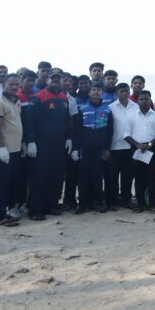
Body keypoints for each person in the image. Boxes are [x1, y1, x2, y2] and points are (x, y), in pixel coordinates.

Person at [23, 72, 72, 221]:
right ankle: (36, 209)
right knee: (39, 177)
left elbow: (67, 119)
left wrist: (69, 137)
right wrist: (31, 141)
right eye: (53, 79)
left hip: (58, 144)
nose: (56, 81)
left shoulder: (64, 98)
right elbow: (29, 120)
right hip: (41, 144)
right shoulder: (38, 97)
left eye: (59, 79)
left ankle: (52, 205)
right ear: (47, 80)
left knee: (56, 176)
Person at [73, 84, 115, 214]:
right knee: (83, 176)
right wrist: (76, 148)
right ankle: (82, 204)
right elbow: (77, 131)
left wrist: (107, 148)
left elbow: (109, 131)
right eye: (94, 90)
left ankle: (98, 202)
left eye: (99, 90)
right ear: (90, 92)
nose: (96, 92)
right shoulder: (82, 109)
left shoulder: (107, 110)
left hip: (99, 148)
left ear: (102, 93)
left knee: (97, 176)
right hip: (84, 148)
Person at [0, 74, 23, 227]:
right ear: (3, 85)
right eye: (11, 84)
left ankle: (7, 213)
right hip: (3, 151)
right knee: (1, 184)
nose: (14, 87)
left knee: (11, 183)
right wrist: (2, 148)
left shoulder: (16, 102)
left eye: (17, 84)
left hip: (15, 149)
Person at [126, 90, 155, 212]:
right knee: (138, 178)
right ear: (137, 101)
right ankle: (140, 204)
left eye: (146, 99)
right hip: (137, 149)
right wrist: (137, 144)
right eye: (141, 99)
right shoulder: (131, 116)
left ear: (150, 101)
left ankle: (153, 205)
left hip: (152, 148)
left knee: (152, 177)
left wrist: (150, 144)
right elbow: (126, 134)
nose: (144, 101)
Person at [10, 70, 37, 219]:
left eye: (33, 80)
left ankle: (28, 203)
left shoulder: (36, 96)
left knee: (31, 175)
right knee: (18, 176)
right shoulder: (17, 97)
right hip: (19, 142)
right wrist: (23, 142)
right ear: (22, 81)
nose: (31, 83)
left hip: (33, 141)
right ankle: (16, 204)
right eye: (28, 80)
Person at [107, 82, 139, 210]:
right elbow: (108, 128)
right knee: (112, 176)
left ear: (129, 92)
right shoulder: (110, 108)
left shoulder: (135, 107)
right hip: (115, 146)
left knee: (128, 176)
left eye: (126, 91)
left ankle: (126, 200)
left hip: (131, 147)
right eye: (121, 91)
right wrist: (107, 147)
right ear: (117, 93)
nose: (124, 93)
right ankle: (112, 201)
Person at [61, 75, 90, 211]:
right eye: (80, 83)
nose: (83, 85)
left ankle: (85, 199)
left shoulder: (93, 99)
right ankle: (69, 200)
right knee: (70, 173)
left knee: (83, 173)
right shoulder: (73, 99)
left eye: (85, 83)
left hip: (88, 140)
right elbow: (71, 122)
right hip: (72, 140)